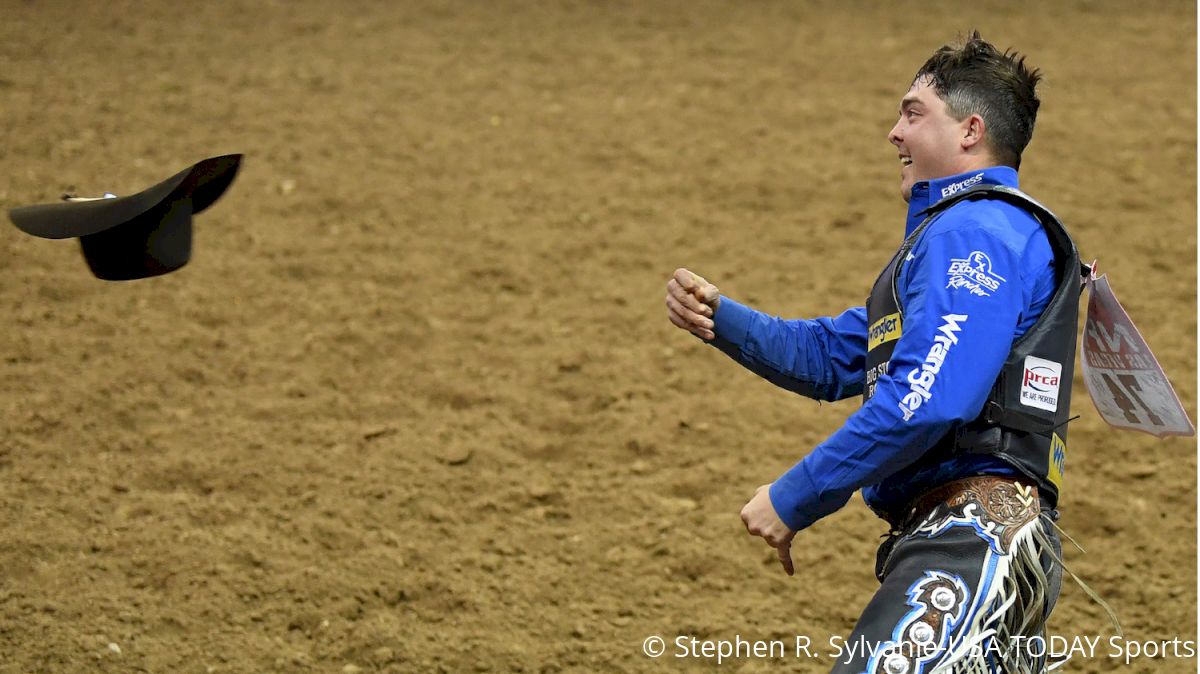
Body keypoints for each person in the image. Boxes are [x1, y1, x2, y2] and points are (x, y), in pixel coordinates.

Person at [666, 32, 1087, 673]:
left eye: (914, 113)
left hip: (971, 545)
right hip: (976, 545)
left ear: (971, 130)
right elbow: (842, 355)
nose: (894, 132)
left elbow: (927, 399)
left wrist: (796, 495)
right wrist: (723, 320)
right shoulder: (972, 233)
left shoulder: (975, 232)